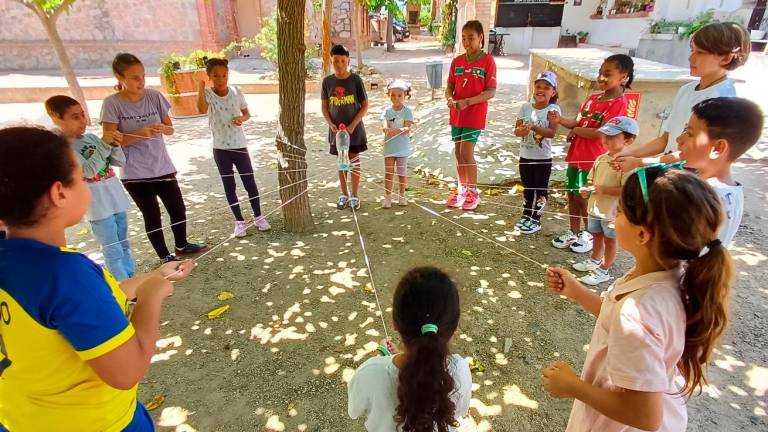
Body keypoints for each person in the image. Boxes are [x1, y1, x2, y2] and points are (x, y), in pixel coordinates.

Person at [0, 126, 195, 432]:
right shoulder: (64, 272)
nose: (87, 185)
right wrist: (153, 294)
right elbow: (127, 370)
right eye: (80, 177)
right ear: (59, 192)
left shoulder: (18, 261)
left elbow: (81, 308)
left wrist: (152, 277)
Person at [544, 166, 732, 431]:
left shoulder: (637, 311)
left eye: (620, 211)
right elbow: (616, 317)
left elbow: (645, 416)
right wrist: (576, 292)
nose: (613, 216)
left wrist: (573, 386)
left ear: (642, 234)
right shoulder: (669, 274)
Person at [101, 53, 207, 263]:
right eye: (134, 77)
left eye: (142, 75)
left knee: (177, 209)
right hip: (134, 172)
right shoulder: (112, 104)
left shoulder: (154, 96)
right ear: (119, 77)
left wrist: (162, 128)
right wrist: (141, 133)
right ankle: (164, 256)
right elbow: (109, 141)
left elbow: (170, 129)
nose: (141, 81)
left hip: (162, 165)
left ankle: (182, 244)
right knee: (152, 215)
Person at [348, 267, 472, 432]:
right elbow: (460, 411)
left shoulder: (369, 372)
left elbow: (354, 411)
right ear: (455, 326)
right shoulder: (461, 370)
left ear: (394, 322)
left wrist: (384, 360)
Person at [613, 22, 750, 171]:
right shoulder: (686, 90)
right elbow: (666, 139)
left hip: (690, 179)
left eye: (701, 53)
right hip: (669, 170)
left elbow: (693, 153)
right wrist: (629, 154)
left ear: (726, 58)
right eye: (692, 51)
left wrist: (639, 162)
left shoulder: (722, 100)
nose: (691, 59)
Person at [45, 95, 135, 281]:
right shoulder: (63, 147)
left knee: (123, 243)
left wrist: (115, 144)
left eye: (83, 115)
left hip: (115, 198)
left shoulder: (92, 138)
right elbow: (87, 170)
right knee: (112, 247)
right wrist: (104, 145)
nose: (83, 121)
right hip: (97, 206)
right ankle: (123, 285)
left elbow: (120, 161)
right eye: (75, 117)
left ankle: (132, 278)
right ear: (57, 118)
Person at [550, 54, 634, 253]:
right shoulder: (593, 98)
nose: (601, 78)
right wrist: (560, 120)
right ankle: (573, 232)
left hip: (594, 159)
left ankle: (589, 235)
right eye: (600, 73)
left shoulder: (619, 103)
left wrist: (576, 130)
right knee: (572, 195)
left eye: (607, 74)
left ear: (624, 76)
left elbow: (602, 133)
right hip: (576, 154)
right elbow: (577, 122)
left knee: (585, 197)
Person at [196, 57, 270, 237]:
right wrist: (200, 85)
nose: (221, 79)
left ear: (228, 74)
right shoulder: (208, 94)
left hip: (239, 146)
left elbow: (246, 113)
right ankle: (239, 222)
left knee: (249, 182)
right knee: (229, 185)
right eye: (216, 76)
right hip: (220, 149)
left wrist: (242, 119)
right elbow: (200, 109)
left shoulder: (236, 92)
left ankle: (258, 216)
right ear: (210, 77)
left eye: (224, 75)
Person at [677, 97, 763, 248]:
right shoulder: (733, 191)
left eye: (689, 133)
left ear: (717, 148)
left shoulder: (700, 197)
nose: (679, 139)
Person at [572, 117, 637, 286]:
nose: (606, 139)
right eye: (604, 135)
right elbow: (591, 181)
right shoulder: (600, 158)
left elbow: (628, 190)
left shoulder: (628, 164)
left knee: (610, 240)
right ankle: (595, 260)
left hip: (612, 213)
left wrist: (604, 190)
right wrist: (586, 189)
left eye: (612, 136)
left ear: (628, 140)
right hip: (595, 209)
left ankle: (604, 270)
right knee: (596, 235)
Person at [445, 20, 497, 211]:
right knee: (458, 153)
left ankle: (473, 192)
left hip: (474, 114)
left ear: (481, 37)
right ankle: (461, 189)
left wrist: (468, 102)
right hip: (457, 114)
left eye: (471, 38)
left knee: (467, 152)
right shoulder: (457, 61)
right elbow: (450, 85)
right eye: (464, 38)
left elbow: (491, 91)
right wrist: (450, 98)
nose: (467, 42)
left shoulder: (488, 61)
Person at [321, 44, 369, 210]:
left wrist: (352, 126)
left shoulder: (355, 80)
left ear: (348, 60)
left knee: (354, 161)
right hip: (336, 133)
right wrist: (330, 124)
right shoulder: (327, 82)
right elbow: (324, 107)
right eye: (336, 61)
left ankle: (355, 195)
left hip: (354, 131)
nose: (339, 64)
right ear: (330, 61)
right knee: (342, 162)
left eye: (343, 61)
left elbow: (364, 105)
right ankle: (344, 193)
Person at [514, 70, 561, 234]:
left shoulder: (553, 110)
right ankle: (526, 215)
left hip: (542, 159)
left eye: (547, 87)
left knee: (540, 189)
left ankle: (536, 219)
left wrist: (534, 127)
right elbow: (516, 131)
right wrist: (522, 131)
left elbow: (551, 133)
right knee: (527, 188)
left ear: (553, 92)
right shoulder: (525, 107)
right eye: (538, 86)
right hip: (525, 156)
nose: (541, 90)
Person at [381, 79, 415, 209]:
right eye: (392, 95)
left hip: (402, 148)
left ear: (405, 95)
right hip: (389, 147)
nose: (396, 98)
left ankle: (402, 196)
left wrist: (394, 130)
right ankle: (388, 197)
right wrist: (387, 129)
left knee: (402, 173)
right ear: (388, 94)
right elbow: (385, 126)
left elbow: (407, 129)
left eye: (399, 95)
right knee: (389, 173)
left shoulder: (408, 111)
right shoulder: (387, 111)